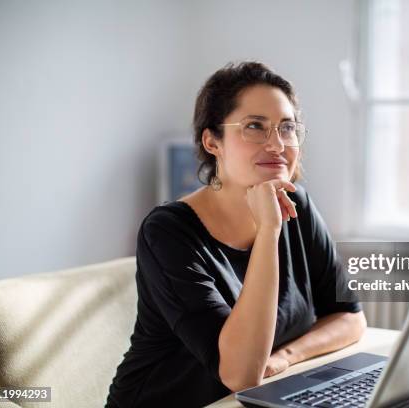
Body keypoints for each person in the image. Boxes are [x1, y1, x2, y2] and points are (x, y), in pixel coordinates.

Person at [106, 61, 367, 407]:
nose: (277, 144)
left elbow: (350, 318)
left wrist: (286, 356)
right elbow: (240, 374)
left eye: (287, 128)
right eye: (255, 126)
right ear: (213, 141)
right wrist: (269, 231)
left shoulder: (297, 204)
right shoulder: (167, 232)